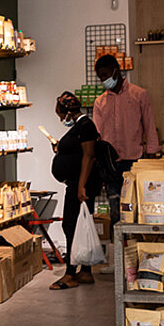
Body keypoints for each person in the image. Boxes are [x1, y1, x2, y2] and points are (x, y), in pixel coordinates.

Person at [91, 54, 159, 219]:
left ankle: (135, 244)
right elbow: (97, 134)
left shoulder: (139, 95)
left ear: (116, 71)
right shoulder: (99, 102)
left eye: (106, 75)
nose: (104, 80)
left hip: (134, 160)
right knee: (115, 210)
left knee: (136, 209)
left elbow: (149, 125)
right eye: (100, 77)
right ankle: (118, 243)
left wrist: (152, 151)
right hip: (110, 165)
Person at [49, 91, 102, 289]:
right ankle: (86, 272)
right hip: (77, 183)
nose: (62, 119)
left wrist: (81, 185)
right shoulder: (80, 127)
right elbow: (77, 151)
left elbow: (88, 156)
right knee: (79, 226)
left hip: (81, 184)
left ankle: (70, 274)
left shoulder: (86, 126)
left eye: (61, 115)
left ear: (68, 112)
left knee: (70, 225)